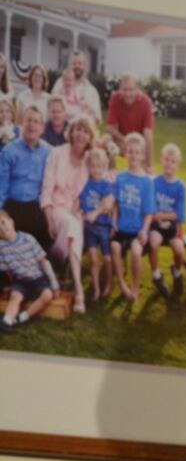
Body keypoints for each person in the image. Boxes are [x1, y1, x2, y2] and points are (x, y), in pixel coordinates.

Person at [40, 115, 94, 313]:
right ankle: (79, 290)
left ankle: (63, 264)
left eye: (86, 131)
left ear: (90, 137)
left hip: (75, 210)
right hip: (55, 207)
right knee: (73, 226)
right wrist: (48, 218)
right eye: (78, 129)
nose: (81, 134)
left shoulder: (89, 160)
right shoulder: (57, 153)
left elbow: (104, 174)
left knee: (75, 226)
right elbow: (46, 189)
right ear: (71, 132)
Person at [0, 106, 53, 256]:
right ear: (21, 124)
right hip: (12, 204)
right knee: (8, 243)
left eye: (36, 122)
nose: (32, 125)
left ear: (42, 128)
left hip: (34, 205)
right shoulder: (9, 150)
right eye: (28, 120)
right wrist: (0, 211)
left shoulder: (49, 151)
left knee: (43, 244)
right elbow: (1, 185)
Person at [0, 207, 59, 332]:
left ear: (12, 221)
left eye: (3, 222)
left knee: (47, 295)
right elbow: (9, 271)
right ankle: (7, 321)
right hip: (21, 281)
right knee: (15, 296)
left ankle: (22, 317)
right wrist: (12, 285)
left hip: (38, 278)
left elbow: (44, 262)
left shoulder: (27, 239)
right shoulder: (1, 248)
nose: (2, 228)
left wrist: (54, 283)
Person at [111, 132, 154, 298]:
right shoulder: (121, 177)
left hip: (137, 230)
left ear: (142, 155)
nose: (133, 155)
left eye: (137, 152)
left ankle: (135, 287)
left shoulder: (147, 182)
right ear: (125, 153)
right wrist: (114, 222)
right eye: (130, 152)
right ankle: (122, 284)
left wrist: (144, 230)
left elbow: (149, 212)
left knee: (136, 252)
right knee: (115, 247)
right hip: (121, 227)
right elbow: (115, 203)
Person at [147, 143, 186, 300]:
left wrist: (162, 216)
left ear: (177, 165)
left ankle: (177, 272)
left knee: (179, 249)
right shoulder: (155, 182)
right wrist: (162, 217)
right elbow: (150, 211)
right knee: (153, 242)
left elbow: (180, 215)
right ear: (161, 160)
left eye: (173, 161)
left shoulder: (181, 187)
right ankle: (156, 275)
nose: (169, 164)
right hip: (157, 226)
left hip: (173, 227)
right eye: (166, 159)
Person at [78, 146, 117, 302]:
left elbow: (108, 203)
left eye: (100, 166)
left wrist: (97, 212)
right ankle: (96, 288)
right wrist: (85, 212)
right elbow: (82, 202)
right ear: (89, 167)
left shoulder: (106, 185)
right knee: (94, 260)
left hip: (104, 227)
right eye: (93, 166)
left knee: (107, 259)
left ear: (105, 167)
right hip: (90, 229)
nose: (96, 170)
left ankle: (108, 284)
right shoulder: (85, 184)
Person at [105, 74, 154, 161]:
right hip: (122, 140)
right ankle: (111, 172)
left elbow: (148, 133)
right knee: (107, 140)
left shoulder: (146, 102)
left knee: (141, 151)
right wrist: (125, 140)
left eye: (131, 90)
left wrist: (148, 163)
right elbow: (110, 128)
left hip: (139, 143)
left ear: (137, 89)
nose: (127, 94)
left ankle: (141, 170)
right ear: (120, 88)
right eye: (124, 89)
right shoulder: (115, 98)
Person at [52, 50, 101, 126]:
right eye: (74, 63)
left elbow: (98, 120)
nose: (77, 66)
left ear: (85, 66)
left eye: (80, 63)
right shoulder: (60, 83)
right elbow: (52, 107)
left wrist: (89, 110)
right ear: (70, 65)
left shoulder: (92, 90)